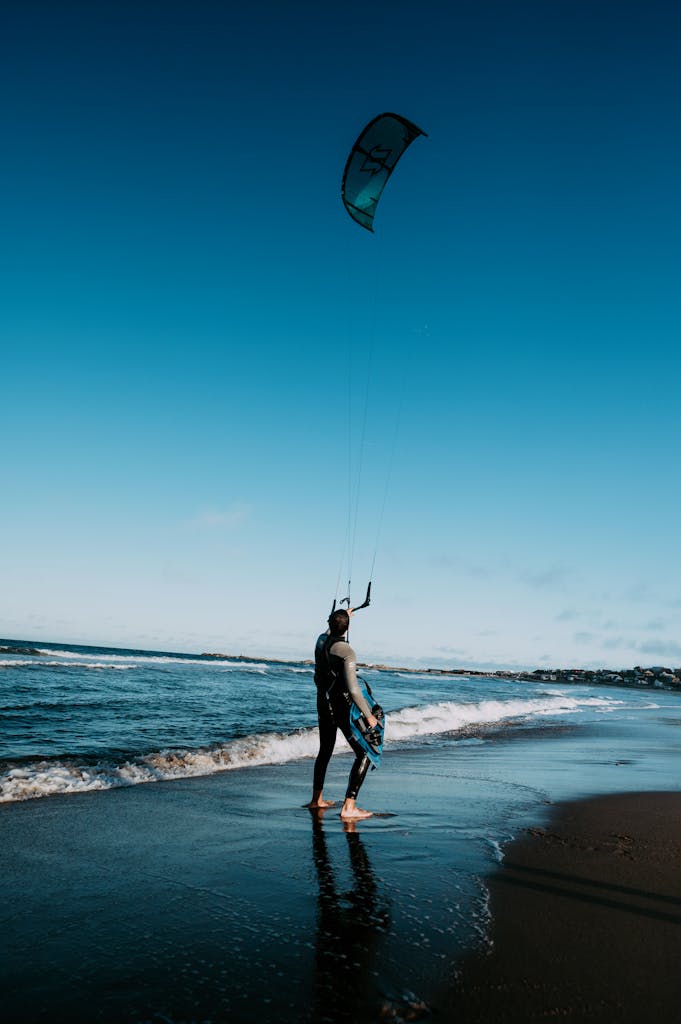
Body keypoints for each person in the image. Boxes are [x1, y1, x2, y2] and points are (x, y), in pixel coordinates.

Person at [309, 607, 378, 820]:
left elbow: (329, 631)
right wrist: (368, 715)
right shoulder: (346, 651)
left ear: (329, 623)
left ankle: (316, 800)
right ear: (347, 628)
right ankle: (349, 807)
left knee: (325, 751)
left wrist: (341, 617)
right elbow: (354, 689)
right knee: (364, 753)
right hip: (339, 707)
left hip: (322, 702)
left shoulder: (321, 641)